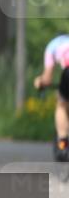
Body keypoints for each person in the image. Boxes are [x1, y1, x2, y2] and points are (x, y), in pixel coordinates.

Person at [33, 33, 69, 161]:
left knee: (62, 105)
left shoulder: (52, 46)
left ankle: (63, 145)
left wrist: (39, 82)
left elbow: (47, 79)